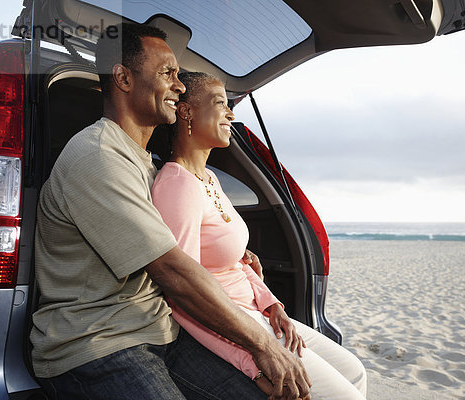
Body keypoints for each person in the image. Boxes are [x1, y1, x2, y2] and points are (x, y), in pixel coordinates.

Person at [30, 23, 312, 400]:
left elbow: (180, 247)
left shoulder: (146, 164)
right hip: (99, 343)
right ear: (124, 78)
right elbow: (172, 270)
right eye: (168, 73)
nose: (179, 86)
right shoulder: (98, 156)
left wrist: (234, 259)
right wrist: (263, 344)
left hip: (160, 330)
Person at [150, 71, 368, 399]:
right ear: (187, 112)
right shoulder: (177, 185)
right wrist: (253, 361)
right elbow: (182, 295)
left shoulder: (208, 178)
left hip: (257, 315)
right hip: (234, 326)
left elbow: (237, 262)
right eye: (220, 103)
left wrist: (271, 305)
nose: (231, 113)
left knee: (355, 371)